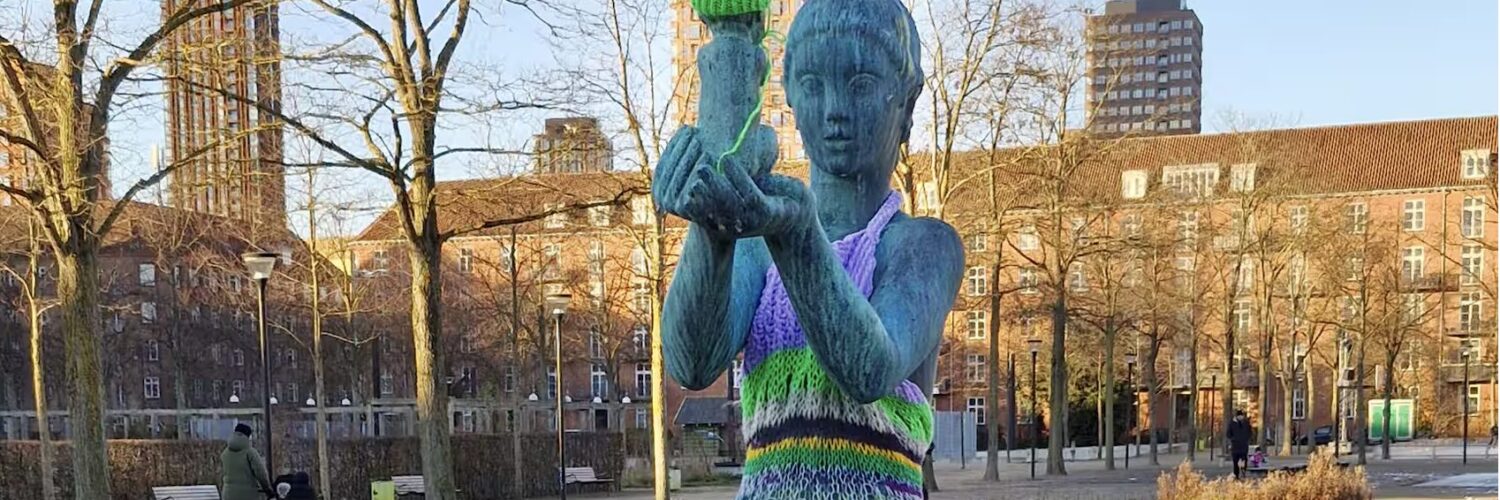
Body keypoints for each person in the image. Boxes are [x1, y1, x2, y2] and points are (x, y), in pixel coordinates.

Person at [656, 0, 962, 497]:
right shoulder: (759, 247)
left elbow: (870, 369)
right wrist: (712, 227)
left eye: (861, 83)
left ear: (905, 104)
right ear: (792, 101)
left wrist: (796, 236)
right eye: (814, 85)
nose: (835, 109)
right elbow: (692, 363)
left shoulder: (924, 246)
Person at [221, 423, 272, 500]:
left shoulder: (225, 453)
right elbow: (260, 473)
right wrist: (267, 489)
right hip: (248, 494)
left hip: (227, 494)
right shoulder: (250, 452)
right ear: (248, 436)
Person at [1226, 411, 1252, 478]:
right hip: (1235, 446)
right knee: (1235, 461)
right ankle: (1236, 475)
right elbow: (1228, 434)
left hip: (1244, 445)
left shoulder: (1246, 423)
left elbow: (1250, 432)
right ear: (1237, 416)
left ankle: (1243, 471)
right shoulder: (1232, 424)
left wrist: (1246, 439)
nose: (1241, 417)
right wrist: (1233, 439)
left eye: (1242, 416)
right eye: (1239, 416)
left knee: (1244, 459)